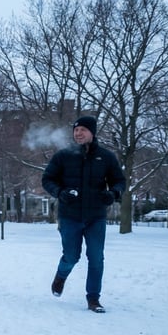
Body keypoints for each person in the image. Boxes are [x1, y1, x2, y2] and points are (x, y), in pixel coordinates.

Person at [42, 115, 125, 313]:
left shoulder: (106, 157)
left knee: (96, 258)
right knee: (71, 256)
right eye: (76, 130)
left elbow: (119, 181)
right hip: (69, 215)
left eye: (83, 130)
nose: (78, 133)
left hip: (96, 216)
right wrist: (60, 193)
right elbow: (47, 179)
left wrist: (113, 193)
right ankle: (61, 276)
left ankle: (93, 299)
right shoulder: (63, 155)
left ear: (92, 133)